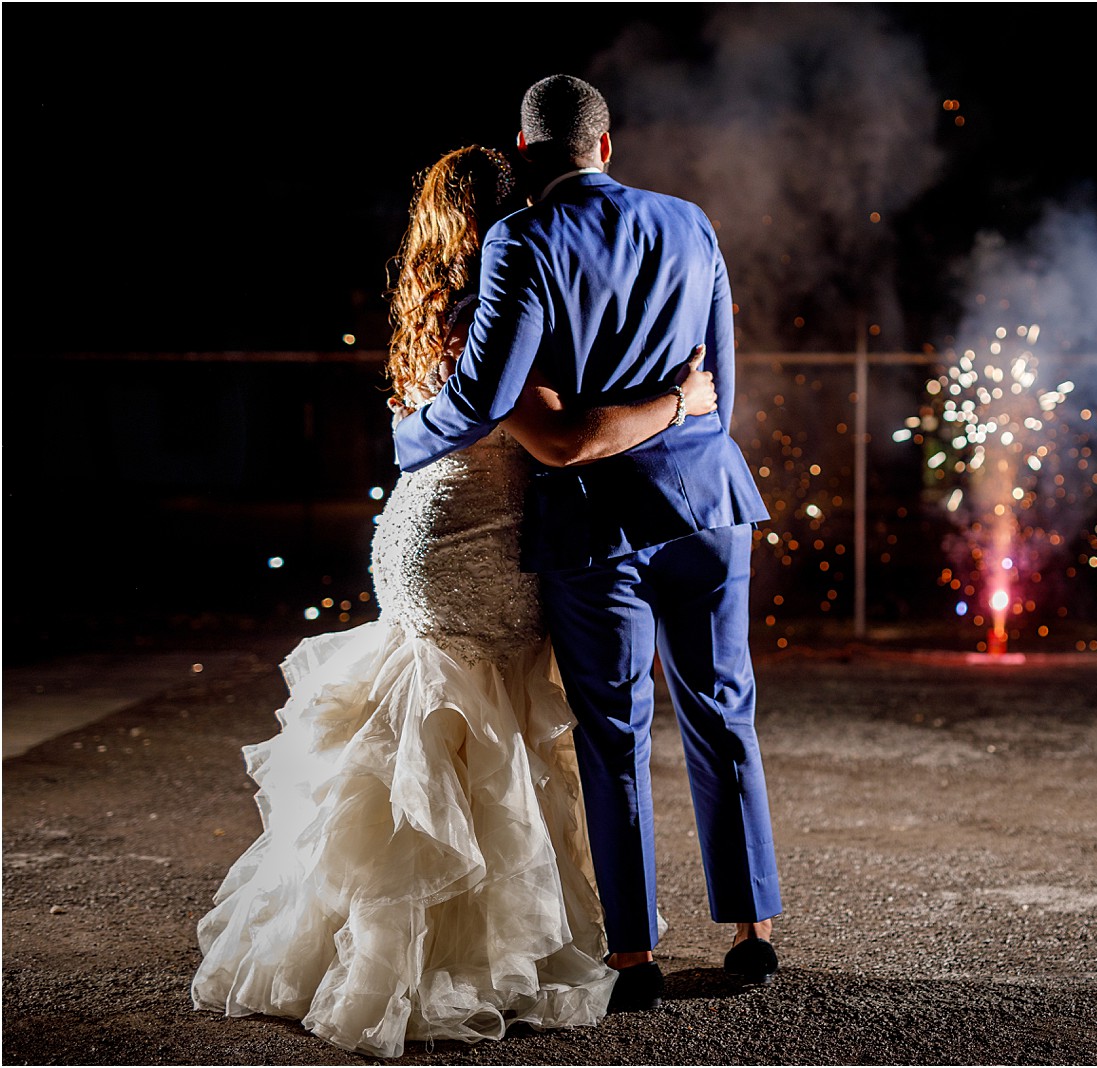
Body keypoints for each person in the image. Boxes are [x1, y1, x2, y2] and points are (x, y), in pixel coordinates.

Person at [189, 145, 718, 1058]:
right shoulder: (496, 306)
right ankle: (450, 965)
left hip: (422, 532)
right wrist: (680, 401)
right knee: (473, 729)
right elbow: (559, 440)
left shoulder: (436, 303)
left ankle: (396, 945)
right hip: (473, 545)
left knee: (444, 730)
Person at [393, 75, 782, 1013]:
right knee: (723, 711)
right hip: (707, 502)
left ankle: (637, 955)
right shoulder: (691, 222)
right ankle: (752, 931)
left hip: (596, 519)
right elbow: (719, 391)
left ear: (525, 154)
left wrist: (410, 438)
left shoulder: (520, 239)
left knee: (613, 735)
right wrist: (680, 418)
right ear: (607, 145)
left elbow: (485, 398)